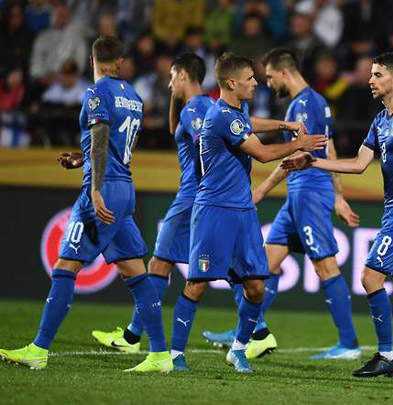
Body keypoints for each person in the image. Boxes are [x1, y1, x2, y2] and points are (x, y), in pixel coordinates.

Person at [89, 52, 311, 370]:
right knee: (195, 273)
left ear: (183, 75)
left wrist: (280, 130)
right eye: (250, 78)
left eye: (172, 78)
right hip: (212, 201)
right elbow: (189, 130)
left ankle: (145, 336)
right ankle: (157, 343)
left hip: (207, 198)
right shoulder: (206, 108)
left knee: (194, 271)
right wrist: (288, 131)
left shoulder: (205, 109)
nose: (169, 84)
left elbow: (225, 134)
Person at [0, 36, 171, 373]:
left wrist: (94, 188)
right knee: (136, 272)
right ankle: (160, 354)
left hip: (103, 189)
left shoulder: (96, 93)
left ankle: (39, 349)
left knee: (65, 267)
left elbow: (102, 139)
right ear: (120, 62)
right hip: (124, 187)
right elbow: (116, 145)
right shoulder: (134, 97)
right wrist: (84, 158)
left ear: (91, 61)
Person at [281, 52, 393, 379]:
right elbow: (358, 164)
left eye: (377, 75)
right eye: (371, 75)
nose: (370, 80)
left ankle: (385, 356)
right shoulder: (380, 120)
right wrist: (313, 161)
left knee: (370, 276)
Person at [162, 52, 327, 374]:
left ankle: (238, 350)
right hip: (214, 210)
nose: (256, 83)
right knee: (196, 284)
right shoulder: (220, 115)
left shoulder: (237, 111)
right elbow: (262, 154)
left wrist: (285, 124)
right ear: (231, 83)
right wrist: (299, 143)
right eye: (250, 79)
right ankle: (176, 354)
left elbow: (250, 124)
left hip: (243, 211)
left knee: (255, 287)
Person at [203, 47, 361, 360]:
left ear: (284, 72)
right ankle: (249, 330)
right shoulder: (315, 101)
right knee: (268, 264)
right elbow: (328, 147)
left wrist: (261, 190)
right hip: (301, 193)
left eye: (270, 76)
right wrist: (338, 195)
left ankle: (349, 344)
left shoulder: (303, 105)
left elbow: (298, 154)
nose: (267, 83)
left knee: (324, 265)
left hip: (308, 191)